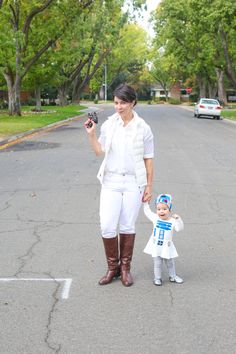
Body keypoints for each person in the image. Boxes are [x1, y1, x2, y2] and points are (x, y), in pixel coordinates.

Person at [84, 84, 154, 287]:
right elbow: (99, 151)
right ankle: (112, 268)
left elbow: (148, 159)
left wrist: (149, 185)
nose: (118, 107)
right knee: (107, 224)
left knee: (127, 225)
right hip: (111, 181)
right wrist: (91, 135)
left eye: (123, 102)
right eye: (116, 102)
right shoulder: (109, 125)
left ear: (132, 102)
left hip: (134, 182)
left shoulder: (143, 128)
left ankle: (125, 269)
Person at [143, 194, 184, 286]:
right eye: (159, 209)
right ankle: (157, 278)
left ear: (169, 209)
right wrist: (145, 202)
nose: (161, 211)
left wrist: (178, 220)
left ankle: (173, 276)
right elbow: (147, 211)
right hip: (156, 246)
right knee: (157, 263)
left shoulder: (172, 221)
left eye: (164, 209)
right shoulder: (155, 218)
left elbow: (179, 228)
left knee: (170, 263)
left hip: (167, 246)